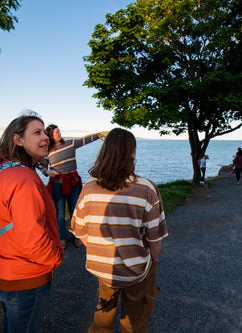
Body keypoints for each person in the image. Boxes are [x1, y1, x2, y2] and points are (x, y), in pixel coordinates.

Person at [70, 128, 168, 333]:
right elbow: (155, 237)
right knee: (135, 318)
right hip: (137, 269)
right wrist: (153, 261)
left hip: (103, 267)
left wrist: (100, 249)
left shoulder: (89, 188)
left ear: (105, 151)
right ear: (132, 152)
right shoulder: (146, 188)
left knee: (103, 311)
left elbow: (80, 230)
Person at [0, 114, 64, 333]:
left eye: (45, 132)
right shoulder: (24, 178)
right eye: (37, 133)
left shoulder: (3, 170)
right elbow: (33, 240)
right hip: (25, 276)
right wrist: (55, 258)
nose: (45, 138)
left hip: (3, 267)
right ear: (18, 139)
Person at [40, 124, 105, 250]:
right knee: (59, 214)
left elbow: (84, 140)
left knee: (75, 211)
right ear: (51, 135)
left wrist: (97, 135)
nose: (60, 133)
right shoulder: (47, 151)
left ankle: (76, 237)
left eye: (59, 131)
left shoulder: (70, 144)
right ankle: (62, 238)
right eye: (57, 132)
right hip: (57, 184)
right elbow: (42, 167)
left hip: (73, 182)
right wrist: (48, 172)